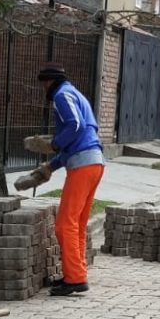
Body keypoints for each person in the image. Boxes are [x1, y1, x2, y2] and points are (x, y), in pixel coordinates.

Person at [31, 63, 104, 297]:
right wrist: (50, 167)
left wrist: (53, 144)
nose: (43, 88)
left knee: (65, 224)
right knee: (77, 224)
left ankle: (75, 279)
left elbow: (75, 126)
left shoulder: (62, 95)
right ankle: (76, 274)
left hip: (83, 165)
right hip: (94, 163)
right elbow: (80, 138)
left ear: (49, 81)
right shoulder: (75, 94)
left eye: (43, 84)